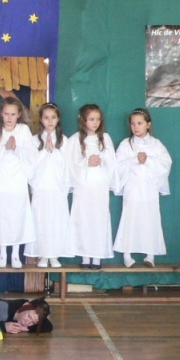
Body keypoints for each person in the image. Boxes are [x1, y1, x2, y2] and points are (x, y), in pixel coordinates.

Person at [113, 108, 172, 267]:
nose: (135, 127)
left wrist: (148, 160)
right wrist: (134, 160)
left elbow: (166, 163)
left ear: (148, 124)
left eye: (139, 123)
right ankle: (127, 254)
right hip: (132, 188)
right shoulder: (126, 145)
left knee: (150, 219)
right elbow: (117, 165)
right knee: (130, 218)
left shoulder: (156, 144)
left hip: (149, 189)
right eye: (133, 124)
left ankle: (150, 255)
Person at [0, 97, 35, 268]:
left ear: (19, 114)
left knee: (17, 216)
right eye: (6, 114)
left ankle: (15, 254)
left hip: (18, 180)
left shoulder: (23, 130)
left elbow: (30, 154)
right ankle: (3, 253)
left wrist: (16, 149)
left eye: (13, 114)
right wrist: (4, 147)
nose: (9, 118)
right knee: (1, 216)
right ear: (1, 113)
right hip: (1, 180)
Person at [65, 104, 117, 269]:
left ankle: (97, 256)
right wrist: (86, 162)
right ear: (83, 120)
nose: (95, 122)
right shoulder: (75, 140)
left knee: (99, 218)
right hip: (84, 185)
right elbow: (71, 163)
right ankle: (85, 256)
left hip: (99, 184)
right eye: (91, 119)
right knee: (83, 218)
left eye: (98, 119)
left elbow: (112, 162)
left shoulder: (105, 138)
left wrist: (101, 161)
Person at [25, 103, 71, 268]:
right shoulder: (34, 140)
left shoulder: (64, 140)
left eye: (53, 117)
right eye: (46, 117)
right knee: (41, 220)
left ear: (58, 119)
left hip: (57, 188)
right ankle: (43, 254)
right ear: (41, 120)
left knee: (56, 220)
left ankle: (54, 255)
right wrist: (44, 151)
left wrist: (54, 152)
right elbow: (30, 165)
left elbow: (67, 165)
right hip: (41, 187)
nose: (50, 121)